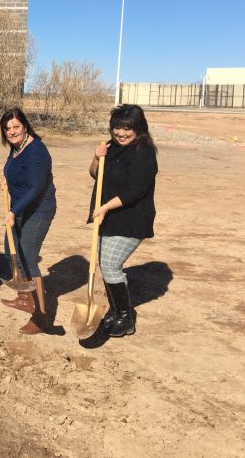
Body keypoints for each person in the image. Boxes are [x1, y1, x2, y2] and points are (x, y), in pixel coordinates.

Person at [88, 104, 157, 338]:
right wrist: (96, 158)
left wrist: (106, 206)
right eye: (117, 127)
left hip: (131, 218)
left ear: (139, 128)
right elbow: (95, 173)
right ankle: (116, 311)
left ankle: (125, 318)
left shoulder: (144, 151)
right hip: (108, 217)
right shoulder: (111, 147)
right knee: (106, 265)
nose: (121, 133)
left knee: (110, 265)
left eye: (127, 128)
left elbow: (136, 190)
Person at [0, 108, 57, 335]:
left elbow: (35, 187)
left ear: (25, 127)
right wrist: (6, 176)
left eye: (16, 127)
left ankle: (41, 317)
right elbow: (12, 167)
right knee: (9, 251)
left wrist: (14, 211)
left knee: (28, 257)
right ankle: (25, 297)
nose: (12, 131)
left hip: (39, 210)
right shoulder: (16, 148)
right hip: (20, 208)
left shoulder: (37, 151)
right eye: (8, 128)